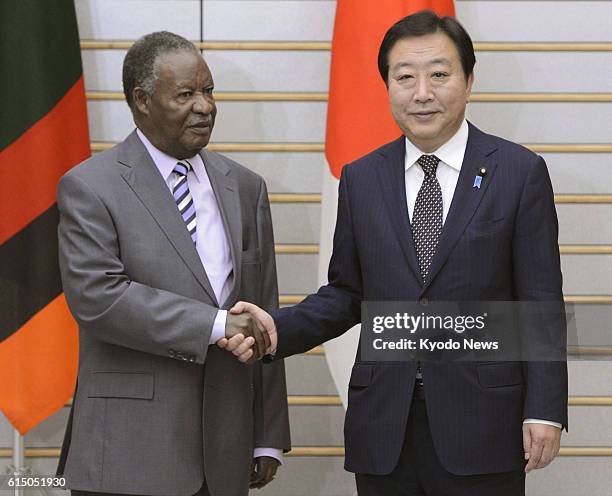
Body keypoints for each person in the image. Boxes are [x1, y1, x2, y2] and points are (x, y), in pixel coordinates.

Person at [225, 11, 567, 496]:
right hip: (386, 425)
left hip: (484, 423)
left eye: (440, 75)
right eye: (404, 77)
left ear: (469, 81)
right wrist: (278, 328)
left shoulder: (518, 172)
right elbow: (347, 292)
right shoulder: (362, 178)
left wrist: (545, 408)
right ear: (387, 85)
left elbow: (540, 302)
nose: (422, 92)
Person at [56, 31, 290, 496]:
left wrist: (266, 436)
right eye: (186, 94)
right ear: (142, 101)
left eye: (208, 90)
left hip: (225, 453)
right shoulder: (90, 186)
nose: (205, 106)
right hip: (128, 453)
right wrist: (218, 324)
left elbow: (262, 312)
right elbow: (99, 298)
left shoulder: (245, 187)